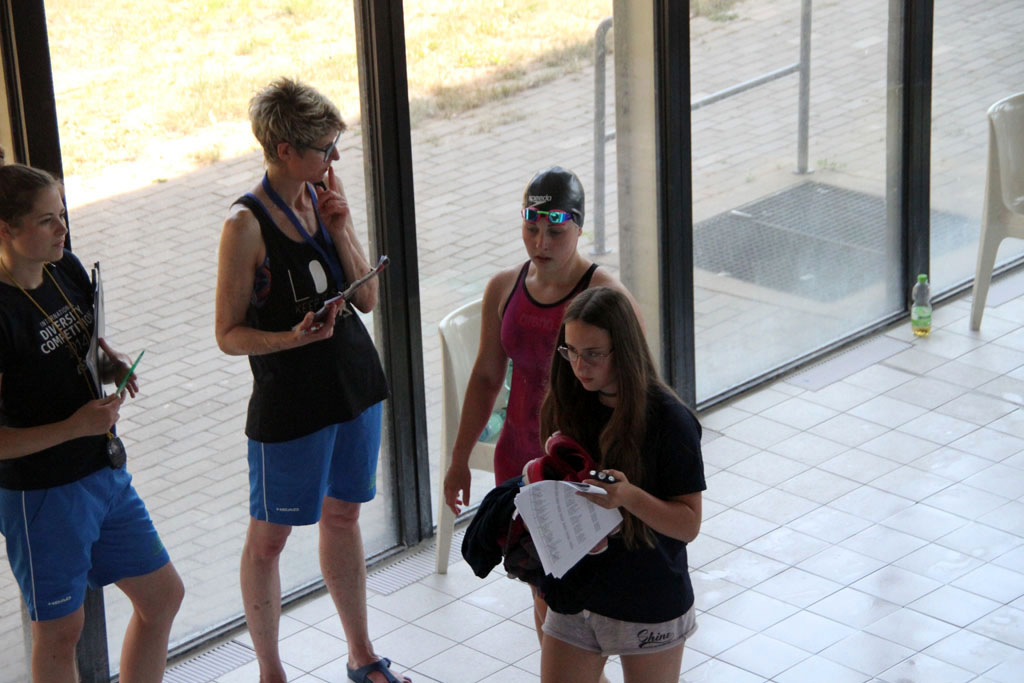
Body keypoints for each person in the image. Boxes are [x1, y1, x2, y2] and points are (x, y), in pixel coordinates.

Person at [214, 78, 403, 683]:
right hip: (291, 406)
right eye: (325, 148)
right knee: (268, 542)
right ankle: (271, 672)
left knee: (343, 518)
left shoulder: (324, 194)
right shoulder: (244, 226)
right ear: (284, 149)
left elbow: (367, 298)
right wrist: (292, 339)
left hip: (353, 387)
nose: (335, 157)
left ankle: (361, 654)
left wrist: (341, 226)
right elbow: (227, 334)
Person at [442, 166, 639, 651]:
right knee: (541, 589)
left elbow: (639, 392)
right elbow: (486, 379)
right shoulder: (504, 287)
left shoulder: (605, 297)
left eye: (555, 232)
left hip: (579, 465)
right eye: (531, 228)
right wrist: (459, 459)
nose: (541, 242)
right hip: (519, 461)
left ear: (579, 227)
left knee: (586, 596)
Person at [0, 163, 183, 682]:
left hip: (102, 472)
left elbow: (80, 352)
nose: (62, 229)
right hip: (42, 494)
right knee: (61, 633)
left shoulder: (67, 269)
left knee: (162, 596)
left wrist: (110, 363)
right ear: (5, 230)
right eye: (46, 221)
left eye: (62, 215)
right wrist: (72, 427)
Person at [537, 286, 705, 683]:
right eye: (571, 351)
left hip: (648, 594)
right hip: (579, 589)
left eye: (593, 353)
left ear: (624, 350)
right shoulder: (571, 402)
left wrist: (628, 496)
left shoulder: (670, 421)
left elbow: (688, 525)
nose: (580, 366)